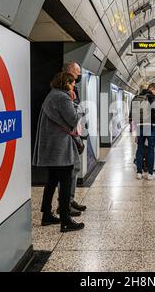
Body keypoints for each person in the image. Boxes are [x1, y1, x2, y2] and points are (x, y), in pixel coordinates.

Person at [33, 72, 85, 232]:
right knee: (66, 182)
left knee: (52, 181)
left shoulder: (52, 95)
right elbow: (73, 119)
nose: (74, 86)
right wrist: (76, 104)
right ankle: (65, 220)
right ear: (66, 83)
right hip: (60, 148)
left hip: (51, 146)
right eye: (72, 83)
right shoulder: (62, 98)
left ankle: (46, 214)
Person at [60, 61, 87, 215]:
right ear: (70, 71)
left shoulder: (73, 88)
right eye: (77, 70)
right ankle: (64, 204)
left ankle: (70, 199)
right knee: (68, 170)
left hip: (74, 132)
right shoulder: (63, 91)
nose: (79, 73)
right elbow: (71, 113)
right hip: (66, 135)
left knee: (75, 167)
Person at [130, 83, 155, 180]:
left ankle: (139, 173)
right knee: (151, 149)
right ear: (152, 88)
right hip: (150, 125)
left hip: (139, 126)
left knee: (140, 149)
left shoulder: (136, 97)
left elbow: (132, 114)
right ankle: (150, 174)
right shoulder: (152, 97)